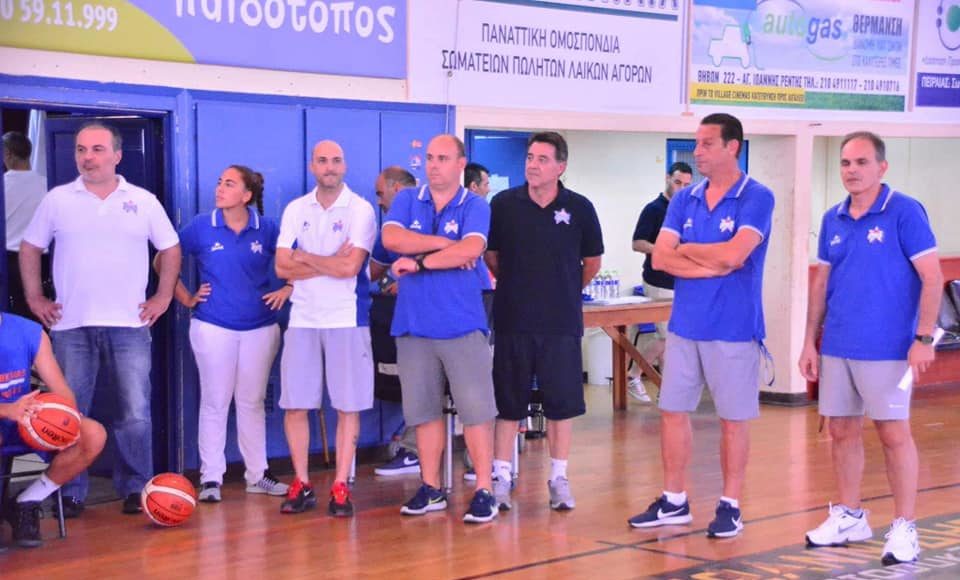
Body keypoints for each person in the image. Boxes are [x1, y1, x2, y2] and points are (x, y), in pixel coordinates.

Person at [19, 122, 181, 516]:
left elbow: (171, 248)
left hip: (130, 326)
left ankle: (136, 488)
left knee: (134, 414)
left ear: (117, 155)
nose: (87, 157)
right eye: (81, 150)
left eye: (96, 149)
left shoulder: (142, 201)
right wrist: (35, 297)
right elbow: (30, 247)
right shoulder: (58, 200)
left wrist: (162, 296)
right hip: (71, 327)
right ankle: (70, 492)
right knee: (70, 413)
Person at [628, 113, 775, 538]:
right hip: (685, 325)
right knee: (672, 411)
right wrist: (711, 260)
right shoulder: (684, 199)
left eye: (707, 143)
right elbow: (661, 258)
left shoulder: (757, 197)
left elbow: (735, 256)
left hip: (733, 328)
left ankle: (730, 504)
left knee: (733, 419)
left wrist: (690, 251)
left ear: (733, 147)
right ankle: (674, 500)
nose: (697, 152)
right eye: (696, 143)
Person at [798, 132, 941, 565]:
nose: (852, 170)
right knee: (841, 431)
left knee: (893, 434)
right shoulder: (833, 218)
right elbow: (821, 284)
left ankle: (905, 526)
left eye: (861, 162)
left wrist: (923, 338)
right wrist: (809, 341)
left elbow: (932, 277)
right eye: (845, 163)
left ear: (882, 167)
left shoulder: (905, 211)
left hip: (889, 348)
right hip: (839, 343)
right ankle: (849, 516)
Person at [382, 134, 499, 523]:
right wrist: (443, 244)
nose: (433, 165)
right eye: (430, 158)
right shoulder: (406, 199)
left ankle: (484, 490)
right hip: (414, 325)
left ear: (460, 164)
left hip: (462, 324)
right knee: (423, 412)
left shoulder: (475, 204)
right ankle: (431, 488)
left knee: (476, 412)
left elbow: (471, 249)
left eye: (443, 158)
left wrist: (418, 261)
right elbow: (391, 238)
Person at [485, 131, 604, 512]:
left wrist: (562, 288)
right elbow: (492, 257)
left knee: (560, 404)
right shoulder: (503, 204)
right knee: (508, 403)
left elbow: (592, 263)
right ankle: (501, 476)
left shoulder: (580, 208)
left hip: (560, 323)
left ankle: (559, 478)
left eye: (542, 159)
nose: (532, 165)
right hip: (513, 320)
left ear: (560, 167)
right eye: (529, 158)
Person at [172, 165, 291, 502]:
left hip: (260, 328)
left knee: (252, 402)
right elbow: (164, 261)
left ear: (247, 195)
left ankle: (257, 474)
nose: (220, 189)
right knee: (215, 401)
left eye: (229, 184)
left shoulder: (267, 228)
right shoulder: (201, 226)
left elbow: (298, 260)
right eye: (219, 182)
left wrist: (289, 288)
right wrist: (185, 297)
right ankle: (211, 479)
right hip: (212, 325)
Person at [275, 140, 377, 517]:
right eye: (322, 161)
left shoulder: (361, 210)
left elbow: (350, 268)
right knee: (295, 405)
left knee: (348, 406)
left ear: (344, 166)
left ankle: (340, 485)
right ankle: (301, 483)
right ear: (312, 166)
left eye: (336, 160)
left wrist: (304, 257)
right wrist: (328, 261)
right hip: (303, 318)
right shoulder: (295, 209)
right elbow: (281, 267)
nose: (329, 167)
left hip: (346, 318)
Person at [0, 312, 106, 549]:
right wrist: (7, 410)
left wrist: (69, 423)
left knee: (93, 434)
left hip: (26, 419)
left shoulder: (29, 331)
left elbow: (62, 391)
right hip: (8, 413)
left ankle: (26, 502)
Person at [370, 167, 423, 476]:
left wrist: (412, 281)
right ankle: (413, 449)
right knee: (415, 382)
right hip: (407, 320)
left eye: (381, 193)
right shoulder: (388, 231)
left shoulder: (432, 216)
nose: (379, 201)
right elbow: (371, 273)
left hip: (448, 317)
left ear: (398, 190)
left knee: (460, 387)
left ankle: (479, 458)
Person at [628, 161, 694, 402]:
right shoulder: (654, 209)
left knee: (673, 340)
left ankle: (667, 391)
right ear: (667, 179)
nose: (681, 188)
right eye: (677, 182)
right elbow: (637, 243)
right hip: (658, 281)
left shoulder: (686, 210)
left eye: (686, 185)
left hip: (680, 281)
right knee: (668, 337)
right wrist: (663, 250)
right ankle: (634, 374)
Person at [3, 132, 48, 319]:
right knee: (40, 315)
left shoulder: (3, 186)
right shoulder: (47, 185)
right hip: (43, 262)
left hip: (10, 262)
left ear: (8, 153)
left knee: (14, 316)